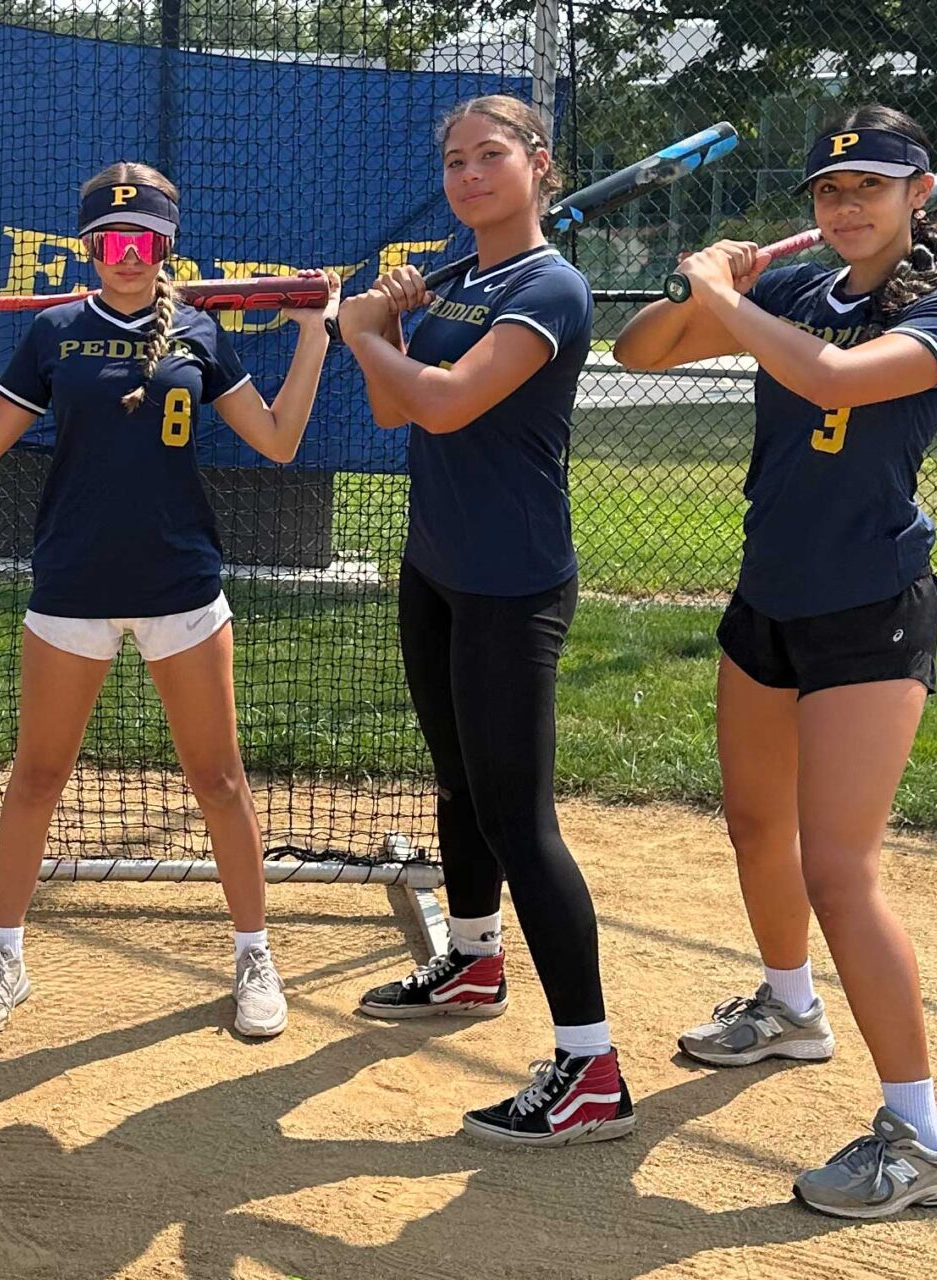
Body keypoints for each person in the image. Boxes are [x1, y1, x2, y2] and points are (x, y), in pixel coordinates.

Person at [612, 104, 937, 1217]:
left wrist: (729, 300)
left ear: (919, 196)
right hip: (767, 598)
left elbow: (833, 380)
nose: (845, 206)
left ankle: (923, 1138)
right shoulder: (788, 292)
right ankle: (789, 1007)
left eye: (870, 187)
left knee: (839, 867)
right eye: (829, 191)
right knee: (750, 823)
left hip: (867, 611)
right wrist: (699, 290)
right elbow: (637, 351)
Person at [0, 162, 335, 1040]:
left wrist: (315, 335)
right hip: (73, 582)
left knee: (217, 777)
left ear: (167, 246)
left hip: (179, 583)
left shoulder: (202, 334)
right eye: (111, 242)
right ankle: (5, 954)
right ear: (89, 249)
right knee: (37, 777)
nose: (128, 256)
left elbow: (279, 442)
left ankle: (254, 954)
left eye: (145, 241)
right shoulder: (54, 331)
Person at [332, 94, 634, 1149]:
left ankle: (590, 1064)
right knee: (456, 778)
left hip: (512, 583)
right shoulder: (460, 278)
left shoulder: (548, 285)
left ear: (538, 165)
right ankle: (471, 957)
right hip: (439, 565)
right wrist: (389, 330)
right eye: (454, 160)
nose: (467, 175)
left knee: (520, 819)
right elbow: (391, 406)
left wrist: (366, 333)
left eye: (489, 156)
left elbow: (451, 401)